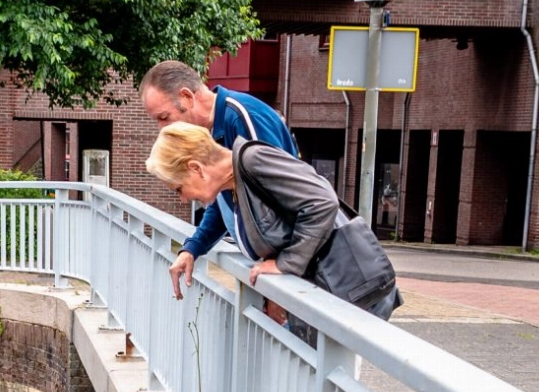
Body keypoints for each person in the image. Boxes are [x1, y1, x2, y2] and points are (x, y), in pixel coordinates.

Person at [144, 123, 401, 323]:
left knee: (329, 384)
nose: (183, 198)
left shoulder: (253, 161)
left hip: (353, 290)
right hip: (333, 291)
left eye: (179, 188)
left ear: (196, 168)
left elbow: (322, 202)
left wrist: (285, 263)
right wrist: (192, 249)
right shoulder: (231, 182)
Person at [141, 61, 297, 301]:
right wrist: (193, 247)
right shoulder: (214, 131)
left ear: (186, 97)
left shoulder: (243, 120)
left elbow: (286, 198)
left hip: (307, 276)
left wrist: (282, 273)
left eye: (163, 117)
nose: (162, 129)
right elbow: (227, 203)